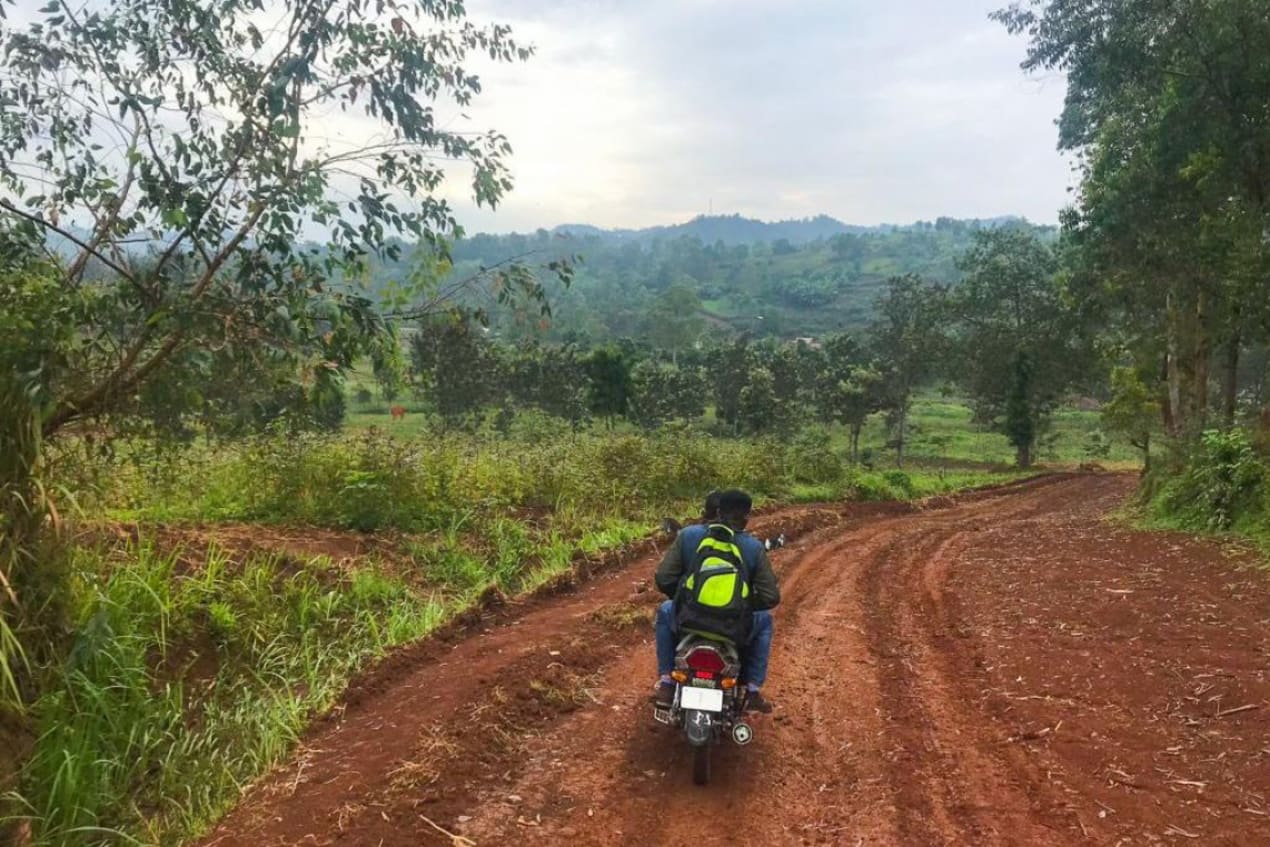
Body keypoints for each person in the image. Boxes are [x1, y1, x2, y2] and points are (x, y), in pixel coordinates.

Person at [652, 488, 780, 713]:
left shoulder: (689, 536)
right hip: (733, 627)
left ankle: (667, 683)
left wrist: (685, 599)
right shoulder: (753, 547)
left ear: (717, 511)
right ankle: (751, 690)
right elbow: (770, 597)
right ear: (747, 517)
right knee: (765, 622)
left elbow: (664, 578)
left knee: (664, 610)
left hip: (688, 620)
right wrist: (742, 606)